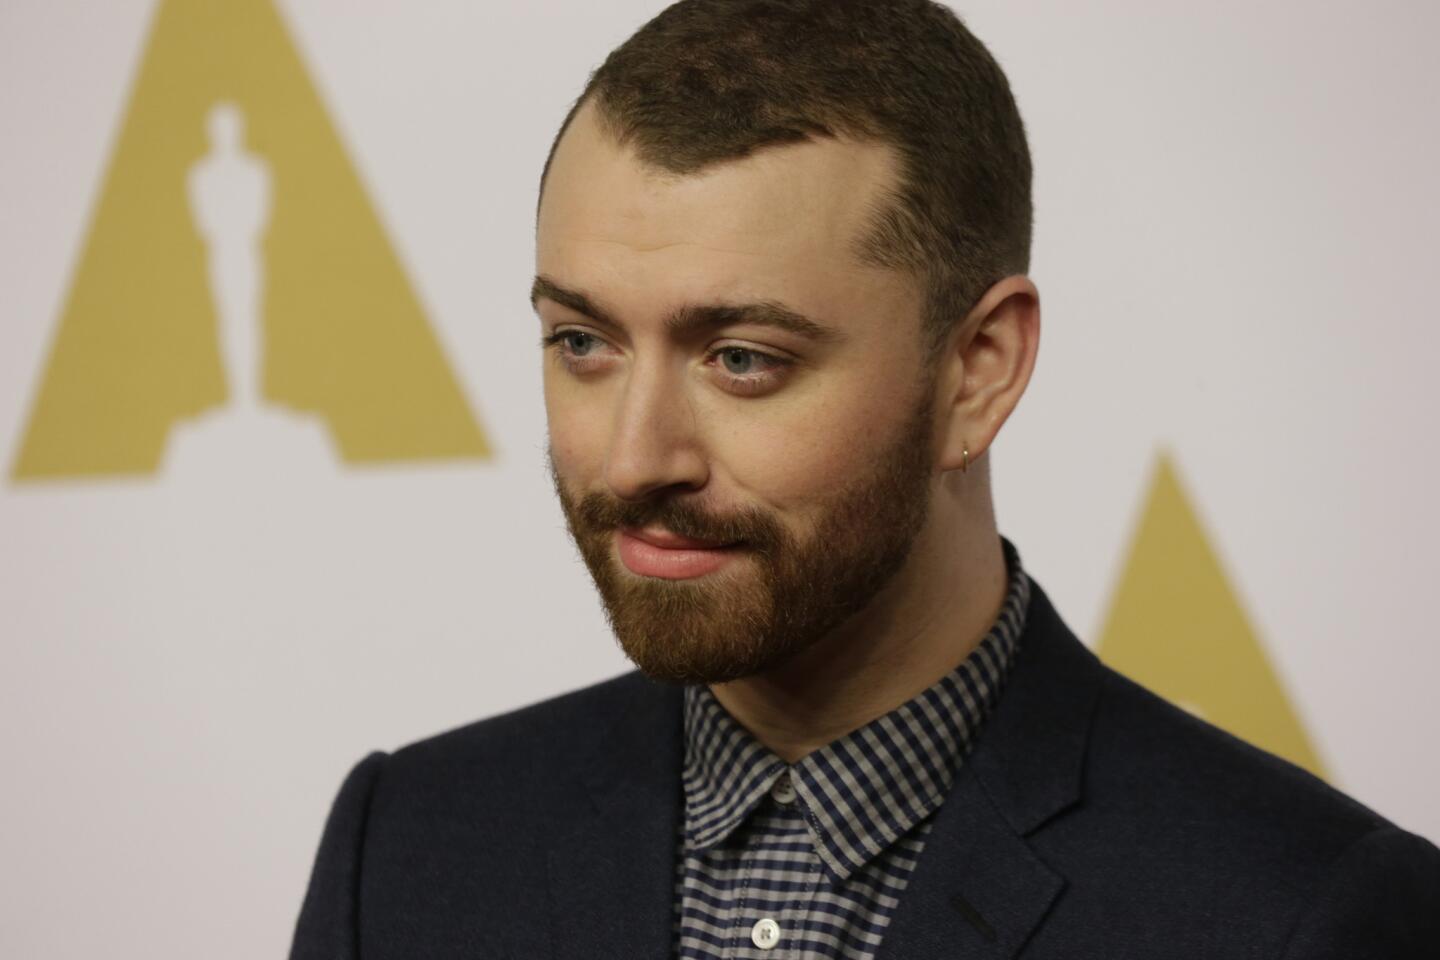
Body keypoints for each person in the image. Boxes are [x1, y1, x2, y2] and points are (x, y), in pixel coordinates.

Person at [289, 1, 1440, 957]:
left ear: (977, 371)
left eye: (743, 360)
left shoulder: (1302, 915)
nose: (635, 458)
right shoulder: (407, 851)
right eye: (583, 343)